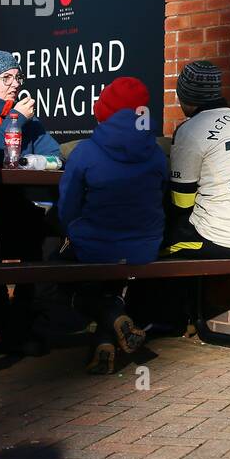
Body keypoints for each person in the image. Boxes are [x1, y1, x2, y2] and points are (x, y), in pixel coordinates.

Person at [126, 62, 230, 334]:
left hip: (225, 239)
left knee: (149, 243)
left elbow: (181, 201)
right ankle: (178, 317)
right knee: (182, 233)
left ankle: (145, 321)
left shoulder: (192, 129)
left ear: (184, 95)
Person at [36, 77, 167, 374]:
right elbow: (160, 196)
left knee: (52, 278)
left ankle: (111, 315)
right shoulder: (156, 152)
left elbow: (67, 209)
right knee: (111, 278)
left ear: (102, 111)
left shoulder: (85, 152)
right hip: (146, 247)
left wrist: (74, 231)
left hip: (96, 246)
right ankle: (105, 341)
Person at [0, 49, 61, 355]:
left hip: (24, 210)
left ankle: (19, 327)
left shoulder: (31, 122)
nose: (15, 83)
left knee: (48, 244)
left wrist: (34, 159)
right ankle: (9, 329)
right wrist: (15, 120)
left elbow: (55, 157)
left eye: (17, 77)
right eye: (6, 77)